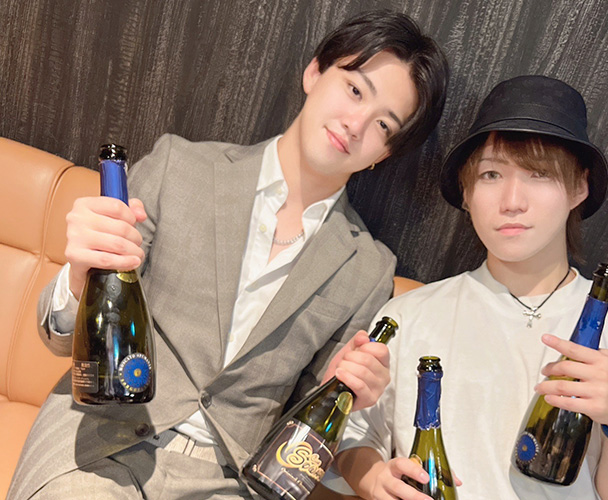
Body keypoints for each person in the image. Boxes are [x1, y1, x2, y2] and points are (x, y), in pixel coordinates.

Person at [8, 10, 449, 500]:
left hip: (228, 481)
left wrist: (343, 391)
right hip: (102, 448)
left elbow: (307, 421)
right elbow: (60, 337)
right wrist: (79, 278)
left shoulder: (367, 268)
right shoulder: (179, 167)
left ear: (385, 153)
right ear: (315, 72)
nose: (356, 123)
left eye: (383, 124)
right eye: (354, 89)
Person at [329, 75, 608, 499]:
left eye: (539, 174)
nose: (512, 201)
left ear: (579, 188)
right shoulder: (408, 315)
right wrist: (373, 480)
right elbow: (356, 436)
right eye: (491, 174)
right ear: (467, 192)